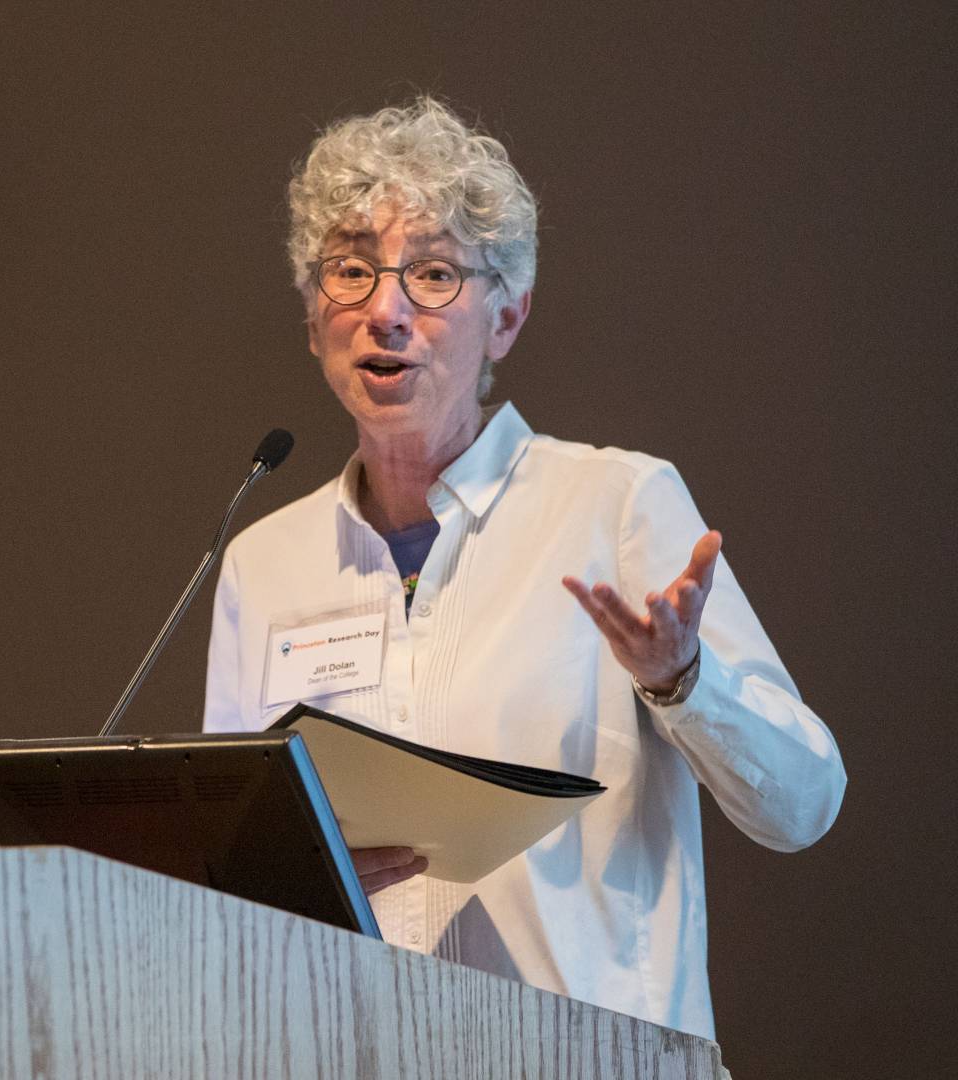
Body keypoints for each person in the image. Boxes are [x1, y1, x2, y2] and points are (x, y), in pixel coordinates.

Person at [202, 96, 845, 1041]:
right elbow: (228, 869)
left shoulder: (614, 505)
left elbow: (804, 803)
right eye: (349, 271)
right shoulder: (264, 564)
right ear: (311, 317)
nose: (385, 310)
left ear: (506, 317)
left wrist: (683, 682)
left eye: (431, 274)